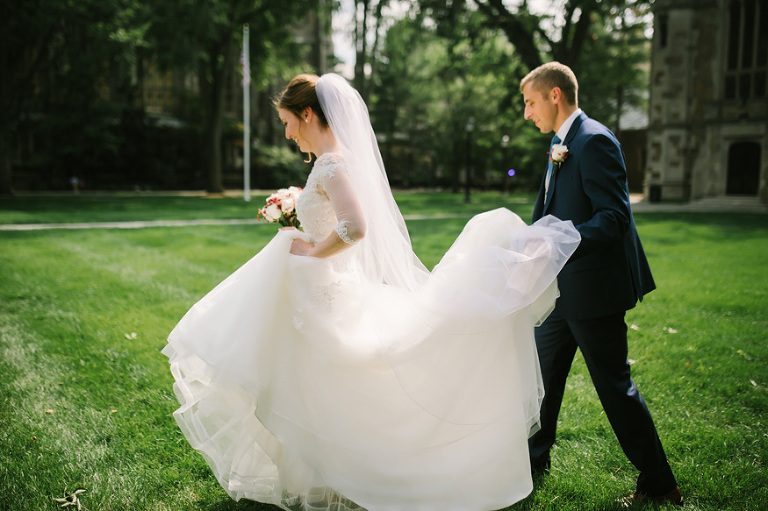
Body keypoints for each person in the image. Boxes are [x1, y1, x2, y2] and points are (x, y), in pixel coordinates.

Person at [163, 73, 580, 511]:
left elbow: (354, 228)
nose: (286, 132)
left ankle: (367, 471)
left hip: (324, 289)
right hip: (320, 288)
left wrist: (311, 252)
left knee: (330, 380)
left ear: (308, 114)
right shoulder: (331, 162)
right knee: (311, 382)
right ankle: (321, 474)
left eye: (287, 121)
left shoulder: (332, 164)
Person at [520, 62, 682, 506]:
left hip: (593, 293)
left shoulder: (593, 141)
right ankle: (533, 463)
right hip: (562, 292)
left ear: (555, 95)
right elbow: (553, 213)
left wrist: (557, 241)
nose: (527, 113)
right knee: (542, 380)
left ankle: (660, 483)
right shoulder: (561, 143)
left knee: (614, 388)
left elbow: (614, 218)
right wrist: (536, 242)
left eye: (530, 103)